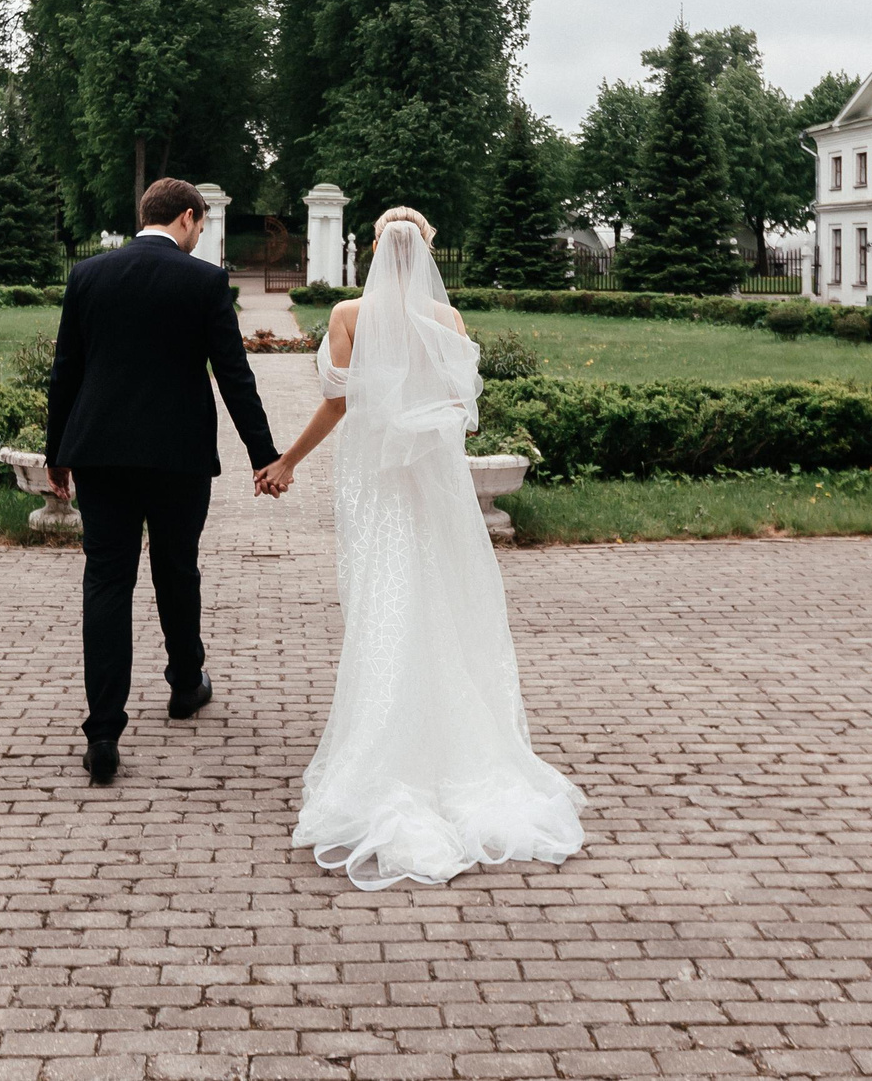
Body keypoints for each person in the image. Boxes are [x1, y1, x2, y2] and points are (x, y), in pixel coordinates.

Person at [257, 206, 586, 889]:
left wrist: (288, 460)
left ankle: (384, 754)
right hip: (433, 489)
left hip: (378, 487)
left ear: (376, 248)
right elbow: (460, 411)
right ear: (429, 251)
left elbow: (339, 404)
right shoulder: (450, 322)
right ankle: (452, 750)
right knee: (437, 604)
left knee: (386, 604)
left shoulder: (349, 315)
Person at [45, 176, 284, 786]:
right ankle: (184, 684)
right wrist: (264, 454)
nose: (200, 237)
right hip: (178, 455)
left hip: (99, 452)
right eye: (201, 226)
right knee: (177, 567)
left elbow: (66, 372)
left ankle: (102, 731)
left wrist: (57, 454)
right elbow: (234, 374)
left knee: (106, 579)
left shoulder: (88, 276)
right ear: (185, 218)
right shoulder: (203, 282)